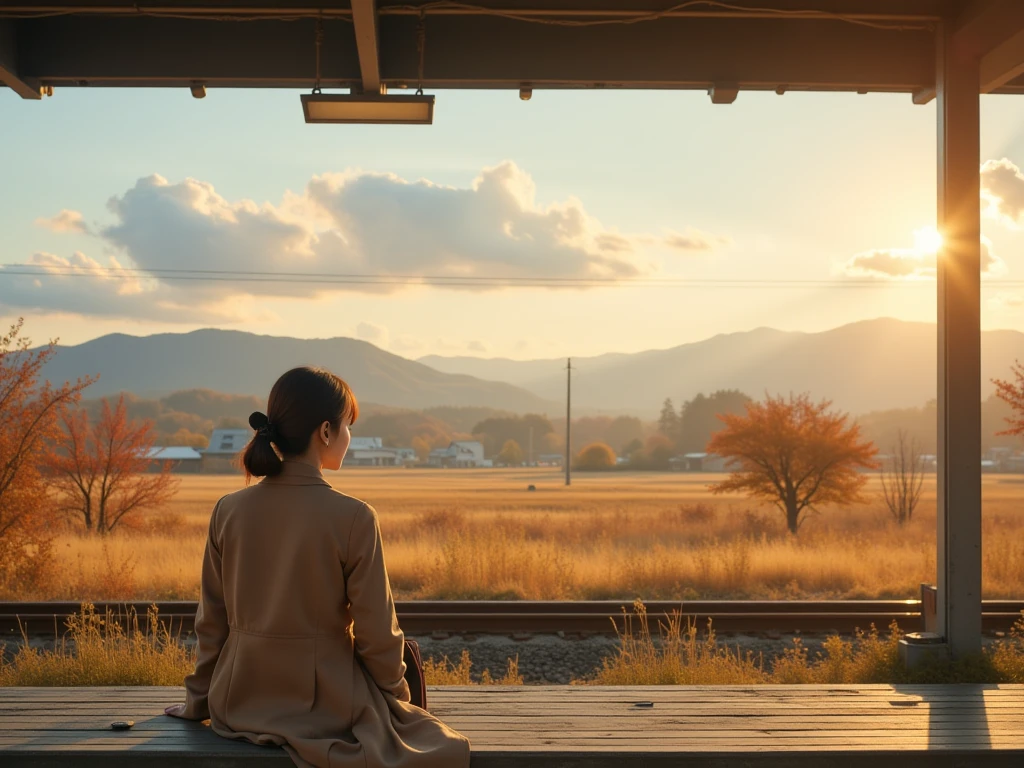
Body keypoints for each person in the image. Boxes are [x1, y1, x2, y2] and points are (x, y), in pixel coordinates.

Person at [165, 366, 470, 768]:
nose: (349, 437)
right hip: (325, 708)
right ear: (325, 432)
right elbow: (377, 633)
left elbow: (212, 623)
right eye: (347, 426)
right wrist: (398, 701)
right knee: (448, 748)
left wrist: (198, 700)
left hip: (236, 702)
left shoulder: (229, 510)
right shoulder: (355, 517)